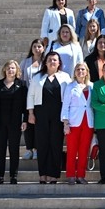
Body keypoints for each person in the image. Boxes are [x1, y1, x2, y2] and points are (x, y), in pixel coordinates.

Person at [26, 51, 72, 184]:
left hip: (58, 114)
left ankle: (53, 174)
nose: (52, 62)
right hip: (41, 113)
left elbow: (69, 97)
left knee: (56, 143)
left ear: (59, 63)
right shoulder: (37, 77)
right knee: (42, 143)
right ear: (45, 62)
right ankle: (43, 174)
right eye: (50, 60)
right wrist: (30, 113)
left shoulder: (65, 77)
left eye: (55, 60)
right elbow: (31, 96)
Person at [0, 59, 28, 184]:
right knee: (0, 149)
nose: (11, 70)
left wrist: (25, 120)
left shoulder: (22, 85)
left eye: (13, 68)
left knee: (14, 149)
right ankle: (0, 176)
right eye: (8, 68)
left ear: (17, 70)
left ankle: (13, 176)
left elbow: (25, 104)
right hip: (0, 122)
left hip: (15, 122)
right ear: (4, 70)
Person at [60, 62, 93, 184]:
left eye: (83, 69)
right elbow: (65, 106)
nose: (80, 71)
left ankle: (80, 175)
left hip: (88, 122)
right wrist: (65, 122)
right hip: (73, 122)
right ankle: (70, 175)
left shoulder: (91, 86)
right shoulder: (70, 86)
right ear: (74, 72)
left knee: (84, 150)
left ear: (86, 72)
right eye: (78, 69)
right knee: (72, 150)